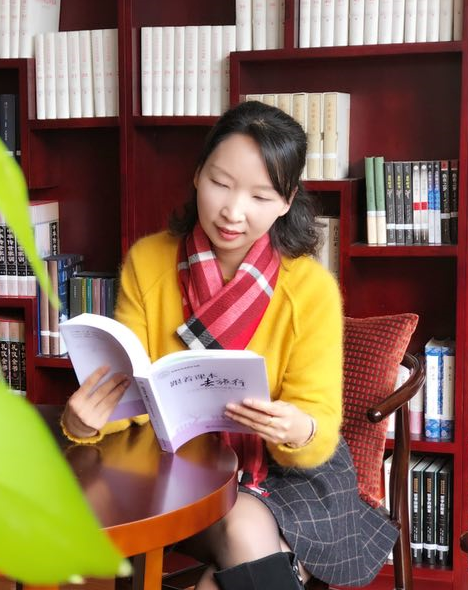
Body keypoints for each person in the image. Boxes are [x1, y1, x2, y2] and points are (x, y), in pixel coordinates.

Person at [60, 101, 398, 590]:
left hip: (287, 470)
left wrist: (298, 427)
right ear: (198, 174)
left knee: (242, 531)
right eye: (220, 183)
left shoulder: (311, 289)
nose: (233, 212)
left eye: (260, 195)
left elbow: (319, 426)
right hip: (177, 464)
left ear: (287, 201)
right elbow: (128, 395)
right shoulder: (148, 261)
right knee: (251, 546)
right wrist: (85, 422)